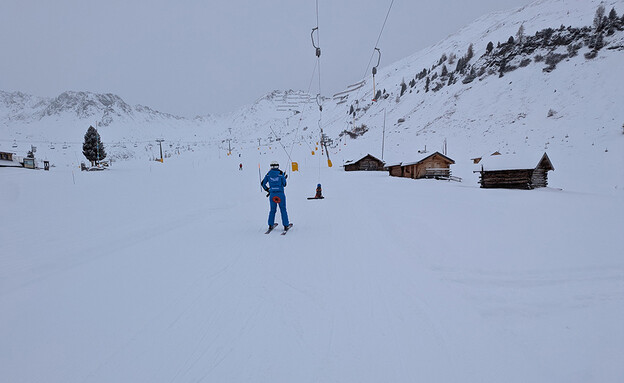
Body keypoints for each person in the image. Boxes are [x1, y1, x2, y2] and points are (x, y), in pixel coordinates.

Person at [261, 161, 290, 230]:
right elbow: (284, 184)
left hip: (272, 195)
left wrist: (268, 190)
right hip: (280, 194)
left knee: (272, 210)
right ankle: (286, 225)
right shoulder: (280, 173)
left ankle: (270, 225)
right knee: (283, 209)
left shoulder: (268, 174)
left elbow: (263, 183)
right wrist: (284, 178)